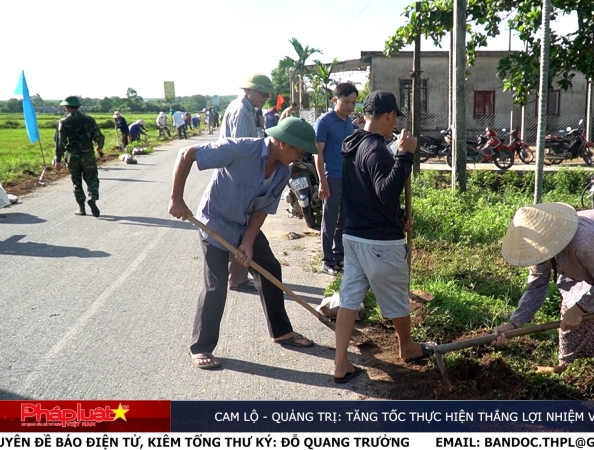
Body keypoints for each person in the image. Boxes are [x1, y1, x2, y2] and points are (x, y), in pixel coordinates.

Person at [168, 117, 319, 369]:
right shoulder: (239, 149)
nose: (301, 154)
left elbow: (261, 209)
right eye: (298, 148)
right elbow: (187, 154)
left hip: (244, 225)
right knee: (216, 285)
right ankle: (201, 347)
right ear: (281, 142)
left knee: (270, 268)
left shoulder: (282, 170)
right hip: (215, 223)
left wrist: (248, 242)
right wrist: (176, 198)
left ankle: (281, 331)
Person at [494, 203, 594, 401]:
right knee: (572, 303)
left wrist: (581, 309)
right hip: (589, 253)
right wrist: (515, 323)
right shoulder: (540, 250)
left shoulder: (582, 242)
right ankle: (569, 365)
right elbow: (536, 287)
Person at [332, 91, 433, 384]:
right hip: (379, 243)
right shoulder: (375, 149)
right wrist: (405, 155)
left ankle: (340, 364)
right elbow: (385, 191)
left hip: (354, 237)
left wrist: (396, 215)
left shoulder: (351, 144)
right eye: (394, 119)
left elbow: (371, 195)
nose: (394, 125)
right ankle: (407, 347)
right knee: (397, 299)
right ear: (388, 116)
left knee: (349, 300)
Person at [220, 73, 277, 293]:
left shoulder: (247, 110)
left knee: (239, 227)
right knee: (239, 227)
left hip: (238, 176)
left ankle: (238, 276)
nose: (265, 97)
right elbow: (244, 150)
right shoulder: (241, 111)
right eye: (262, 93)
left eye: (267, 94)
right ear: (249, 91)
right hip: (238, 177)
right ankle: (237, 278)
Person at [314, 82, 358, 275]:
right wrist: (323, 182)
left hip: (349, 178)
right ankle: (326, 259)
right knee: (330, 219)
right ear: (335, 100)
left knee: (344, 219)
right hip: (331, 177)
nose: (350, 106)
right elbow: (318, 154)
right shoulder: (324, 121)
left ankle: (339, 255)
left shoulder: (350, 123)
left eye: (353, 102)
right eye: (346, 102)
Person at [54, 96, 105, 217]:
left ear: (67, 107)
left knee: (76, 182)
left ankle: (81, 208)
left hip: (72, 157)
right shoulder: (89, 119)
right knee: (92, 179)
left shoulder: (64, 122)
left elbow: (60, 142)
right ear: (78, 106)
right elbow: (99, 136)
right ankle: (92, 197)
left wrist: (58, 159)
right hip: (88, 155)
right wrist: (99, 147)